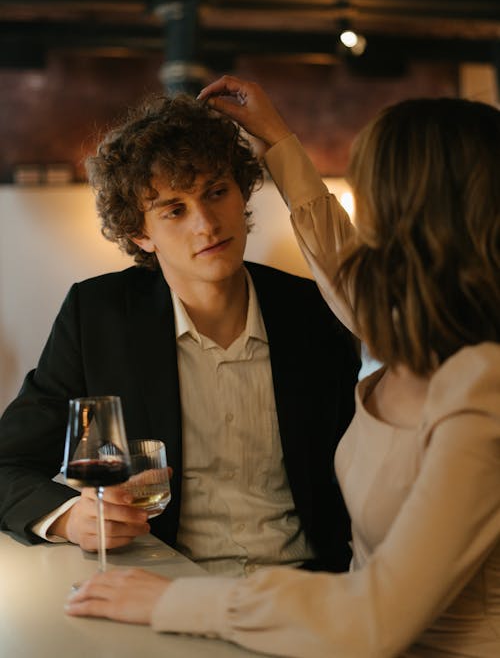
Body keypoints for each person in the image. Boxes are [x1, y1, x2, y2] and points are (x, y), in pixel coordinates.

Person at [66, 77, 500, 658]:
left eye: (370, 199)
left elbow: (377, 615)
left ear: (420, 222)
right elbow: (341, 261)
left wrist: (170, 603)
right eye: (175, 209)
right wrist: (278, 139)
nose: (360, 221)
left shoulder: (481, 381)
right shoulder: (415, 336)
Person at [0, 93, 359, 577]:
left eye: (216, 192)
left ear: (242, 192)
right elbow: (7, 464)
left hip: (311, 591)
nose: (206, 224)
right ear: (139, 234)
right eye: (174, 209)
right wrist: (70, 518)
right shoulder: (98, 315)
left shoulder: (316, 310)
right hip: (168, 587)